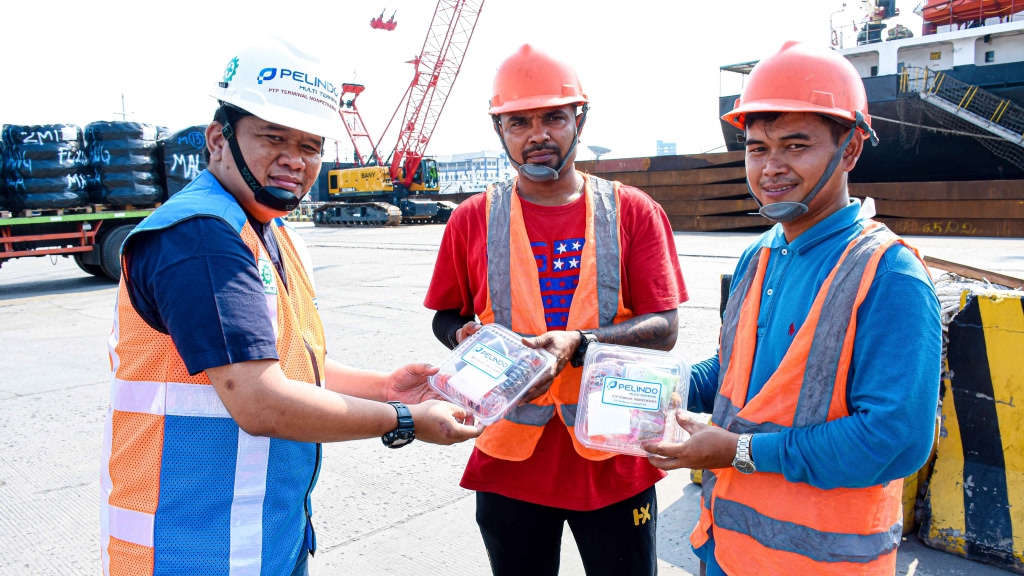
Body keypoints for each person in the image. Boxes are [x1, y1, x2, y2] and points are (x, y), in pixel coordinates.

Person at [100, 38, 479, 576]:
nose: (294, 160)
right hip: (190, 546)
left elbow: (290, 362)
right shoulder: (200, 238)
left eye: (310, 144)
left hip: (261, 537)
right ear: (218, 139)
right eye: (272, 137)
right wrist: (404, 418)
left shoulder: (267, 230)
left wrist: (383, 387)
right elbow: (259, 400)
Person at [643, 41, 941, 576]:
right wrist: (642, 389)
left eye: (795, 145)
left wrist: (740, 452)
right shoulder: (760, 255)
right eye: (757, 149)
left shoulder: (890, 276)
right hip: (727, 549)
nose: (771, 167)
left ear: (849, 150)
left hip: (824, 563)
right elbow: (734, 373)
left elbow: (895, 442)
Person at [424, 44, 688, 576]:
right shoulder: (471, 219)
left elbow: (665, 330)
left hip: (614, 454)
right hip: (509, 458)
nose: (537, 134)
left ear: (579, 121)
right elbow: (445, 316)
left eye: (553, 117)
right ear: (499, 129)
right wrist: (472, 342)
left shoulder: (633, 211)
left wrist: (579, 343)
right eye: (519, 121)